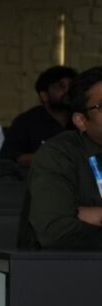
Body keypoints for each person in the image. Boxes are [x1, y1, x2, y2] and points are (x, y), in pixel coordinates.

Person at [18, 66, 102, 249]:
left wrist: (91, 214)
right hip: (65, 264)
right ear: (81, 121)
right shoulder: (58, 154)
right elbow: (55, 231)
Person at [1, 65, 76, 164]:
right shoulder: (26, 122)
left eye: (71, 86)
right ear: (44, 96)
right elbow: (9, 157)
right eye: (61, 86)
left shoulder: (84, 119)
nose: (68, 91)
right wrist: (51, 158)